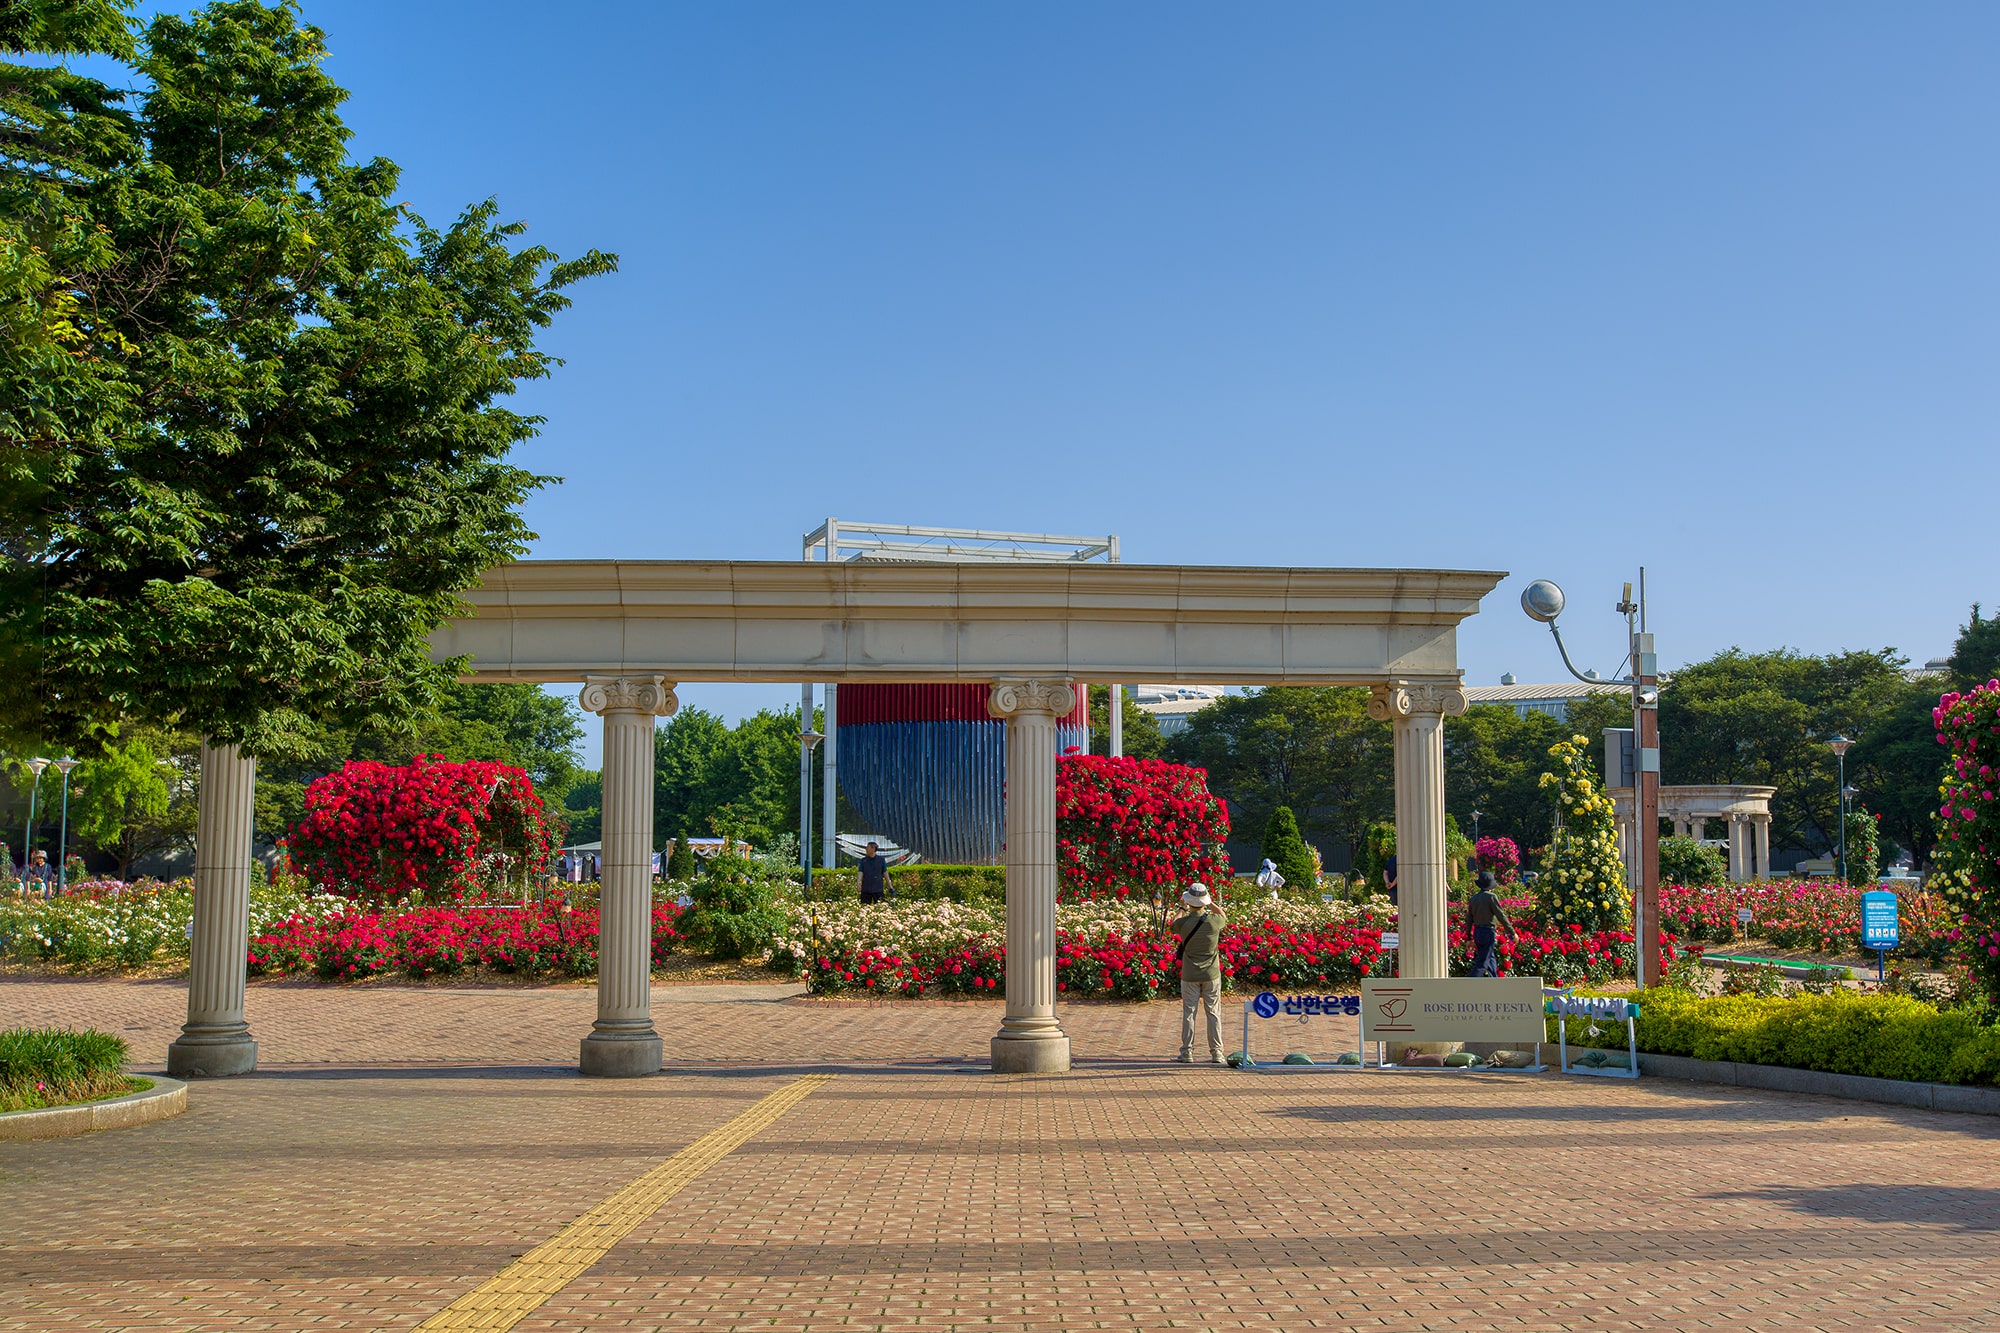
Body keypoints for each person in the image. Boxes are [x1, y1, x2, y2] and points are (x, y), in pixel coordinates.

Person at [1167, 882, 1228, 1065]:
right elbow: (1223, 915)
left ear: (1189, 901)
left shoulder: (1184, 923)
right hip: (1211, 974)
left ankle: (1187, 1052)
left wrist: (1181, 907)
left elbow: (1173, 924)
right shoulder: (1214, 921)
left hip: (1190, 974)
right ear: (1205, 900)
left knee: (1189, 1012)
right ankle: (1217, 1052)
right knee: (1213, 1013)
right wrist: (1210, 903)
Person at [1465, 870, 1519, 977]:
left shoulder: (1473, 899)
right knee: (1483, 962)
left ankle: (1494, 980)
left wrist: (1468, 937)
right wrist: (1512, 933)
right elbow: (1501, 915)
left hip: (1478, 932)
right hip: (1487, 931)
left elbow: (1469, 919)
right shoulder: (1491, 897)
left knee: (1490, 958)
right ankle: (1470, 982)